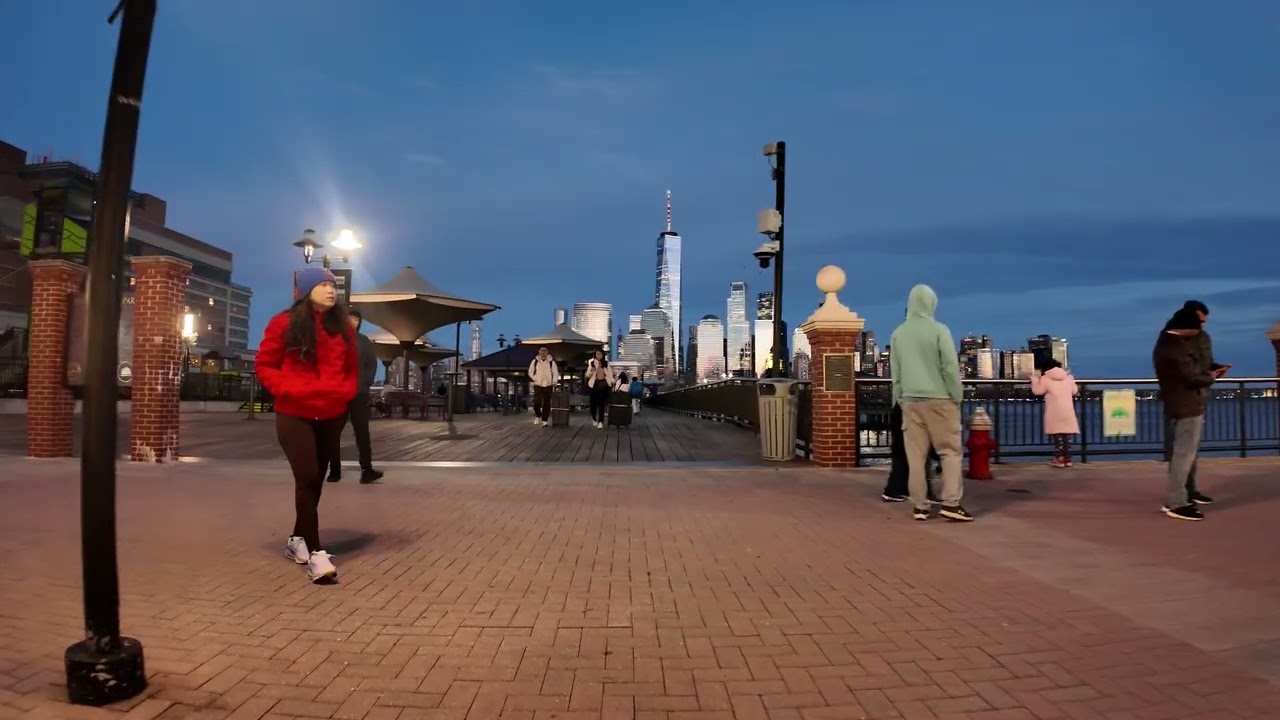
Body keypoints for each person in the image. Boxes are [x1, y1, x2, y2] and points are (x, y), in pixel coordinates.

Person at [256, 267, 357, 583]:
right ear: (306, 291)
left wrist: (345, 393)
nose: (331, 290)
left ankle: (295, 540)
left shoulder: (343, 328)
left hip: (331, 414)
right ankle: (316, 555)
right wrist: (286, 388)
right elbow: (264, 365)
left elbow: (352, 370)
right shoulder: (283, 324)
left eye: (333, 285)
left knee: (317, 480)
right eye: (323, 285)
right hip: (294, 413)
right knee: (307, 476)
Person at [889, 284, 972, 522]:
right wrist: (957, 396)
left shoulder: (898, 333)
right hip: (940, 400)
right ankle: (951, 504)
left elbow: (897, 373)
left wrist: (901, 399)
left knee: (916, 457)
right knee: (950, 453)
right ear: (932, 303)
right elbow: (949, 367)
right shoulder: (939, 330)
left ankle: (920, 506)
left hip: (910, 402)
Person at [1153, 307, 1225, 521]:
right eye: (1198, 326)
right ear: (1187, 327)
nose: (1200, 330)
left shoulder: (1165, 342)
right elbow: (1191, 377)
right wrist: (1212, 375)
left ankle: (1182, 496)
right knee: (1184, 455)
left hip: (1176, 403)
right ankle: (1177, 502)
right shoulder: (1175, 347)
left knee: (1182, 454)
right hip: (1186, 405)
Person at [328, 308, 383, 483]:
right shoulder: (335, 340)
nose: (353, 322)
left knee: (362, 433)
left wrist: (365, 383)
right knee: (333, 432)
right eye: (350, 319)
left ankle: (367, 470)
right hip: (338, 394)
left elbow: (371, 365)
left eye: (356, 320)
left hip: (358, 393)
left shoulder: (364, 342)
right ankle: (334, 470)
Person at [1029, 357, 1080, 468]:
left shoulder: (1046, 378)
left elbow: (1038, 391)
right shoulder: (1068, 377)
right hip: (1068, 410)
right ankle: (1068, 458)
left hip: (1054, 411)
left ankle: (1059, 459)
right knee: (1067, 436)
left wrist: (1034, 381)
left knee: (1058, 437)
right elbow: (1074, 391)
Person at [528, 346, 559, 427]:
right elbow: (530, 372)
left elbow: (555, 373)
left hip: (548, 384)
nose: (543, 352)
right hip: (538, 384)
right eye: (542, 350)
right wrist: (535, 379)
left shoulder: (551, 362)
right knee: (536, 401)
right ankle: (537, 416)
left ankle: (545, 420)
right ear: (539, 352)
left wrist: (554, 381)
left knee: (547, 403)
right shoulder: (535, 361)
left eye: (545, 351)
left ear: (548, 352)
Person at [584, 350, 615, 429]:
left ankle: (601, 421)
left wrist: (612, 382)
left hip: (604, 385)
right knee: (593, 403)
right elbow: (587, 375)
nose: (598, 356)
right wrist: (592, 372)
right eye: (597, 354)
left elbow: (610, 375)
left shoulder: (606, 364)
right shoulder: (592, 364)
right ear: (595, 355)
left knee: (602, 404)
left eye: (600, 354)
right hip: (594, 385)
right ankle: (594, 418)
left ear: (602, 355)